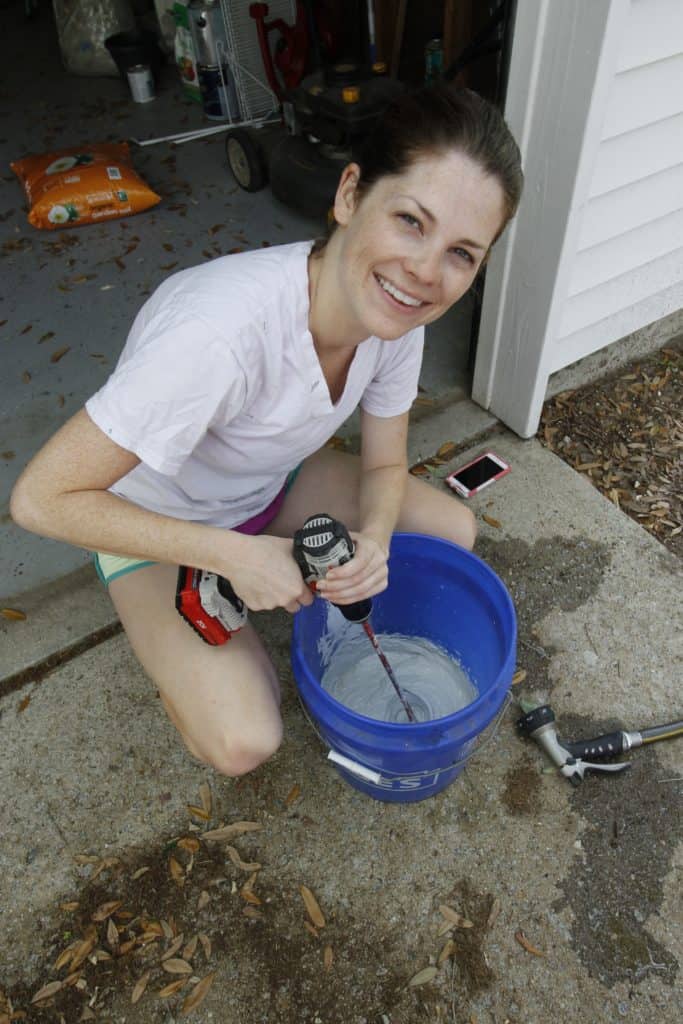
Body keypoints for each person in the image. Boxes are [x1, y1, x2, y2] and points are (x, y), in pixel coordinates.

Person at [10, 83, 523, 778]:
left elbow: (381, 468)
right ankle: (180, 668)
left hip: (270, 485)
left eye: (462, 253)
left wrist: (372, 540)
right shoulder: (216, 333)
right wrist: (232, 556)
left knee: (450, 532)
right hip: (155, 519)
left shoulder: (397, 318)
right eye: (409, 221)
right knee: (242, 744)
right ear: (349, 195)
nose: (426, 272)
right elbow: (41, 500)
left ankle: (264, 563)